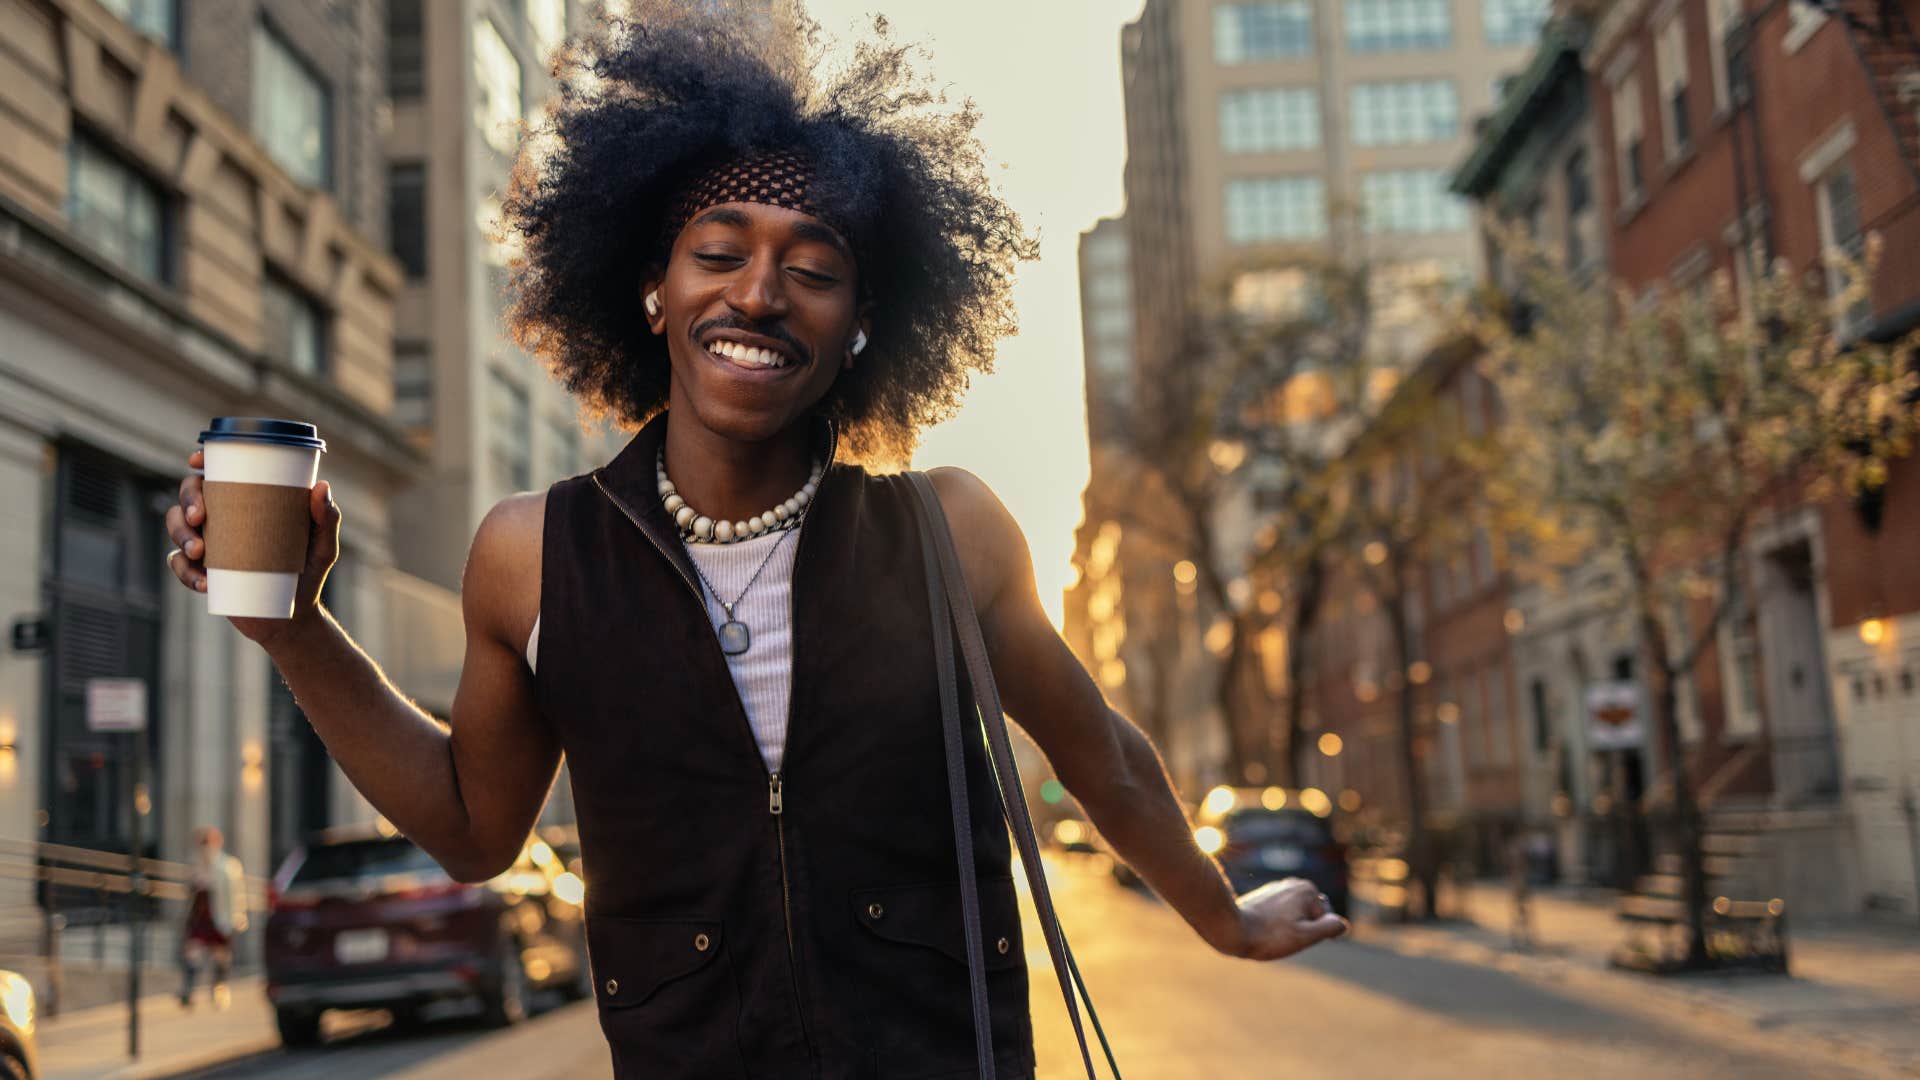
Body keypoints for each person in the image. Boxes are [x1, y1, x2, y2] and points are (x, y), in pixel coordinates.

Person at [163, 3, 1346, 1075]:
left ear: (867, 323)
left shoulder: (950, 530)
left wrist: (1221, 911)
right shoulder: (530, 553)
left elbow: (1106, 757)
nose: (760, 294)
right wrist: (292, 629)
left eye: (815, 269)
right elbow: (475, 830)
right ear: (653, 291)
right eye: (718, 254)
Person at [179, 826, 246, 1010]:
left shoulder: (227, 866)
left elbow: (236, 894)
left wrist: (238, 916)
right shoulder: (195, 866)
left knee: (221, 956)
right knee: (193, 953)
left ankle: (219, 989)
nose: (204, 849)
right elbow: (191, 893)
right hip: (200, 917)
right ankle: (188, 991)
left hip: (220, 917)